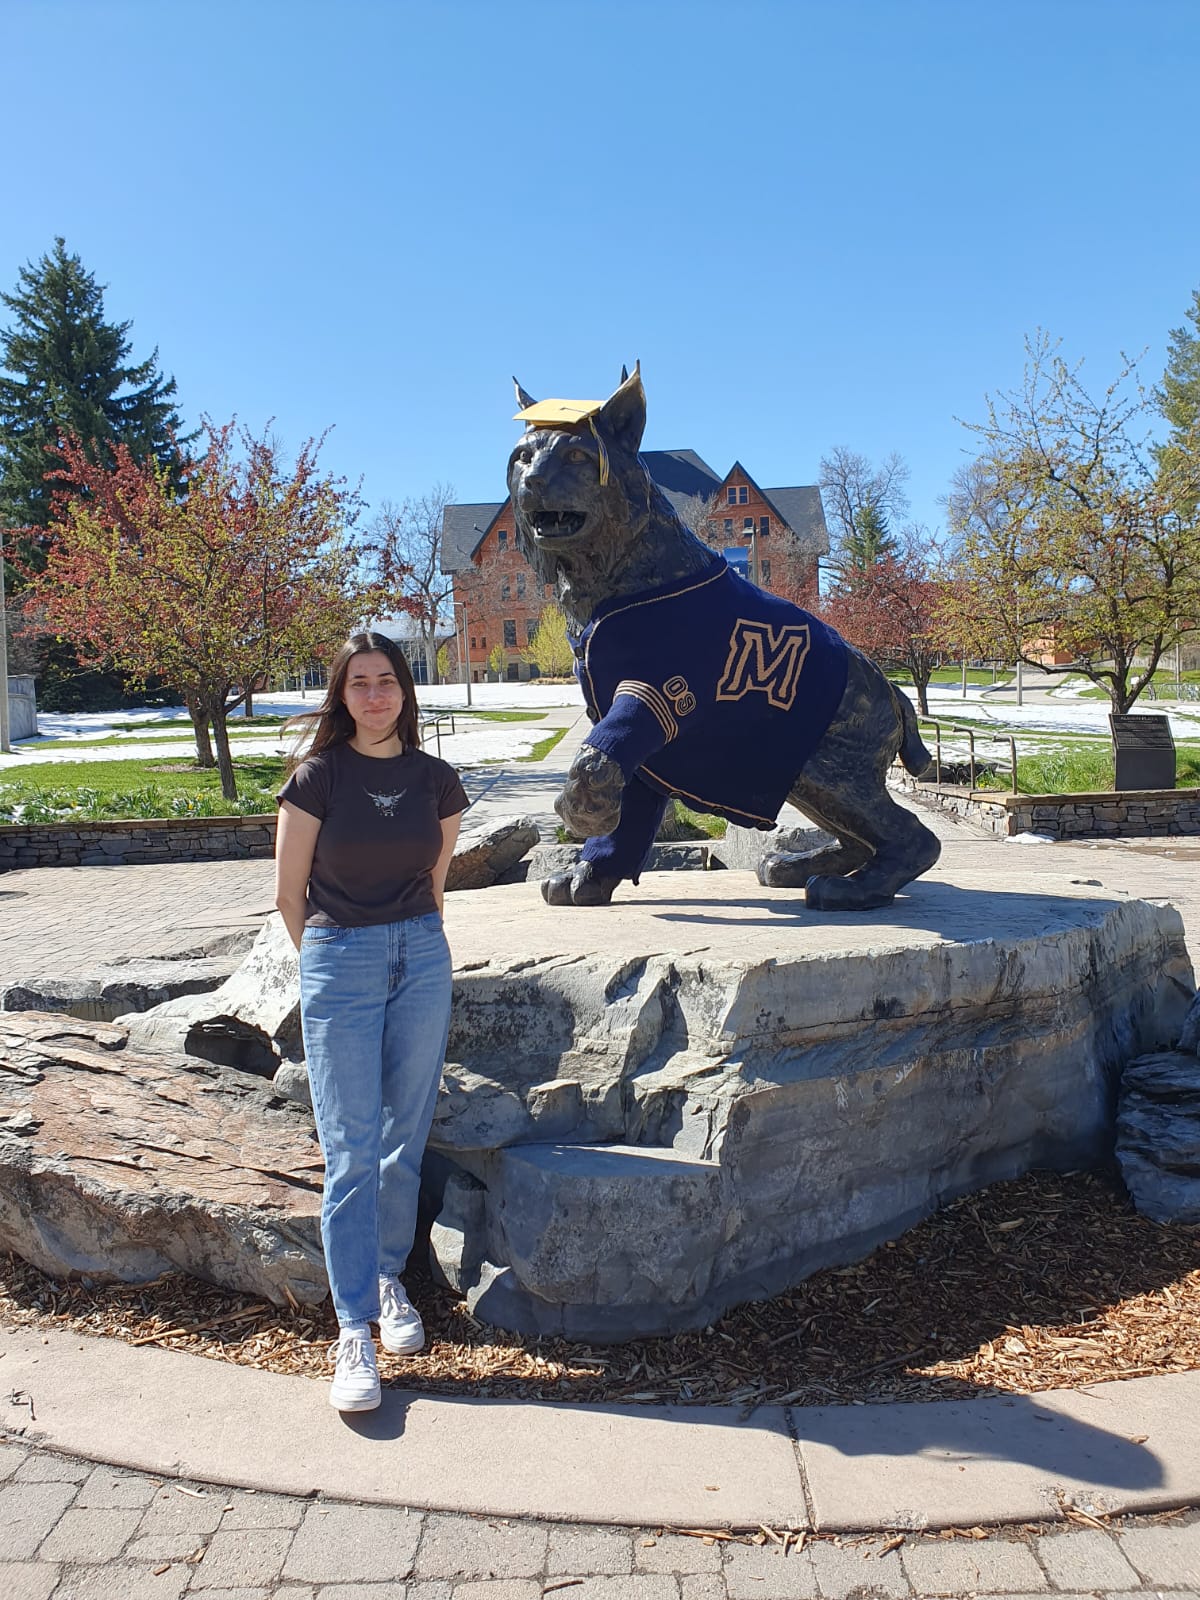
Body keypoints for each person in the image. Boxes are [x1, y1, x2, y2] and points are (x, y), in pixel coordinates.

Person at [274, 631, 468, 1412]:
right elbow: (289, 894)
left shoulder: (437, 781)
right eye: (360, 682)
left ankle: (388, 1277)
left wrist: (414, 950)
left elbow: (436, 883)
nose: (375, 694)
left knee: (402, 1138)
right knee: (351, 1147)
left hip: (421, 957)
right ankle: (352, 1326)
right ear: (342, 695)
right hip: (339, 959)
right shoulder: (317, 778)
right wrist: (333, 965)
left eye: (387, 680)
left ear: (405, 691)